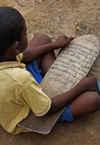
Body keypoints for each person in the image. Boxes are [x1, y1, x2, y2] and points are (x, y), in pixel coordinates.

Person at [0, 6, 100, 135]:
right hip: (28, 115)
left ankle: (57, 78)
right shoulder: (20, 79)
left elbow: (23, 56)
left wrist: (55, 45)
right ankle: (62, 86)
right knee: (92, 100)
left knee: (42, 39)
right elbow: (47, 109)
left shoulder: (6, 54)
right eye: (25, 33)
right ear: (16, 47)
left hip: (16, 92)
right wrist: (81, 86)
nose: (27, 36)